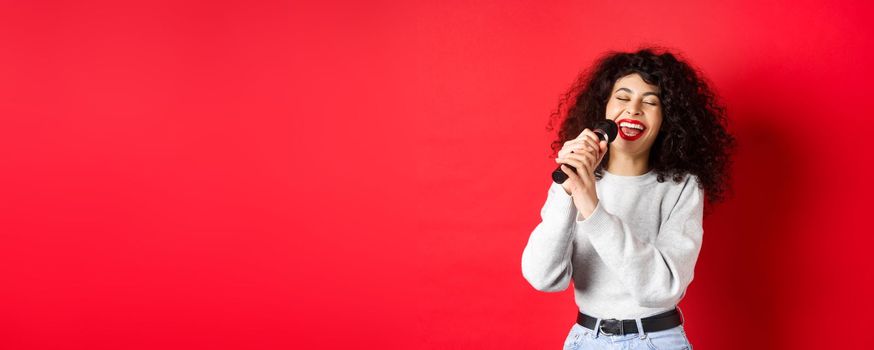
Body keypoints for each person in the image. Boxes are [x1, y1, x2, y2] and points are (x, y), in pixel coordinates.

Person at [521, 47, 735, 350]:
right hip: (587, 339)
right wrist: (568, 191)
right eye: (622, 98)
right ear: (603, 110)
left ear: (667, 119)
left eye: (650, 102)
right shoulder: (575, 180)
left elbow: (661, 289)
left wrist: (592, 208)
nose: (633, 109)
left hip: (658, 340)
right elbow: (543, 277)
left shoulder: (682, 186)